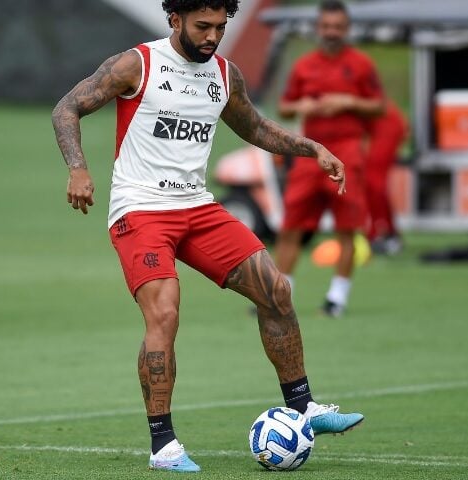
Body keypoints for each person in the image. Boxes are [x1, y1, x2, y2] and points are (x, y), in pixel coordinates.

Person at [51, 0, 363, 473]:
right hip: (141, 208)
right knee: (166, 311)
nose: (213, 36)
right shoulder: (138, 64)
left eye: (220, 26)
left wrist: (312, 148)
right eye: (203, 26)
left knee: (275, 289)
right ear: (175, 20)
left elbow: (254, 126)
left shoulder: (224, 74)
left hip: (197, 207)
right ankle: (163, 446)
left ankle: (304, 408)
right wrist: (77, 169)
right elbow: (67, 107)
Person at [273, 0, 386, 318]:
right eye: (326, 26)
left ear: (346, 29)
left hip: (347, 152)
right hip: (310, 152)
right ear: (318, 28)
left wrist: (349, 101)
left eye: (337, 27)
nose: (331, 32)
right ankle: (283, 295)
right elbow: (284, 106)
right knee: (290, 226)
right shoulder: (304, 65)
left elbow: (379, 107)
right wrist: (301, 107)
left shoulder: (361, 65)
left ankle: (337, 298)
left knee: (347, 227)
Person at [364, 100, 408, 255]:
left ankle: (380, 233)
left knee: (374, 182)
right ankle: (387, 232)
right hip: (379, 124)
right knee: (371, 183)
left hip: (386, 124)